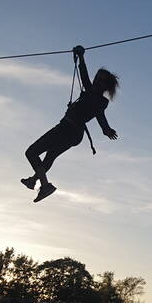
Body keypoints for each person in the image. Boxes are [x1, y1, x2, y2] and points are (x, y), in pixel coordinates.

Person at [22, 45, 119, 202]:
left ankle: (44, 184)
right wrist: (81, 57)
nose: (95, 81)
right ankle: (35, 180)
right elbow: (84, 75)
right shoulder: (92, 93)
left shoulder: (99, 100)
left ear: (104, 86)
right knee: (49, 157)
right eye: (96, 78)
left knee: (31, 152)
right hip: (73, 134)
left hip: (68, 129)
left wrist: (106, 128)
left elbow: (100, 115)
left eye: (99, 80)